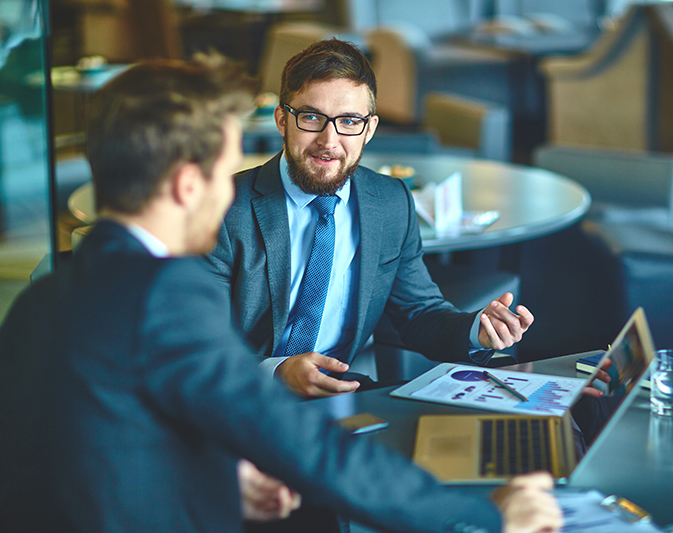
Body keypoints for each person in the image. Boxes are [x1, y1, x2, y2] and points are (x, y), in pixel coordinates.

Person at [0, 55, 563, 533]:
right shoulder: (165, 294)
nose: (232, 190)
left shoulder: (42, 296)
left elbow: (97, 445)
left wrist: (220, 479)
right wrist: (484, 515)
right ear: (186, 186)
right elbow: (307, 449)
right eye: (225, 172)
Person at [205, 39, 534, 400]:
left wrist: (478, 331)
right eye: (312, 117)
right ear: (283, 120)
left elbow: (419, 314)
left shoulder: (391, 203)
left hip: (342, 395)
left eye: (348, 121)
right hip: (236, 397)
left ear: (369, 128)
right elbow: (194, 344)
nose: (329, 140)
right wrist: (277, 372)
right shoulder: (222, 207)